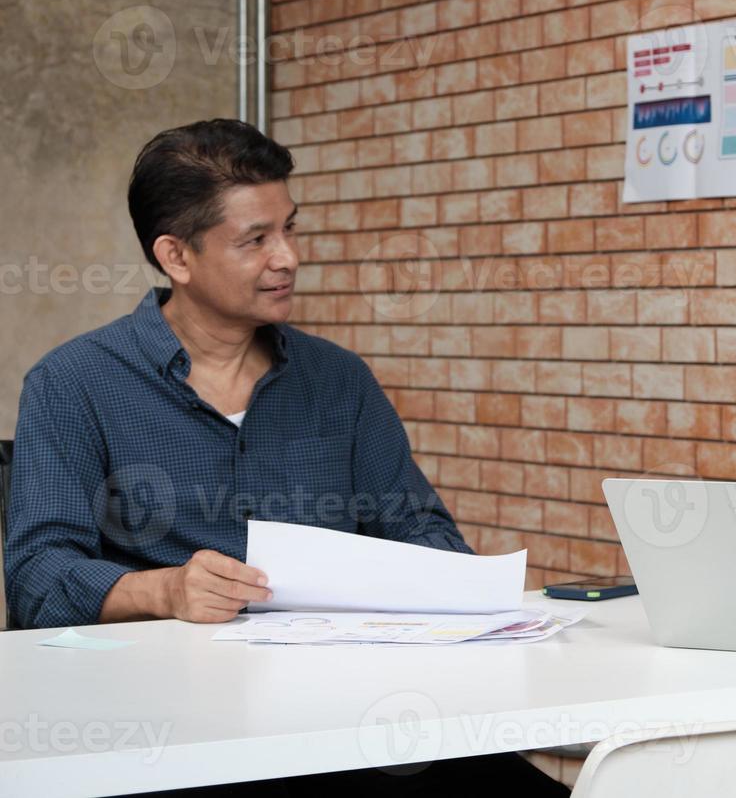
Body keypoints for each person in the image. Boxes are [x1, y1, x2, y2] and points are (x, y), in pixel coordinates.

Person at [3, 119, 567, 796]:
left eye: (290, 229)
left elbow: (422, 530)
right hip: (163, 733)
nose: (288, 257)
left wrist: (449, 585)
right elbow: (36, 581)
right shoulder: (75, 384)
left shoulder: (338, 380)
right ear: (177, 257)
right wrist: (167, 589)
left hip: (348, 716)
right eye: (256, 240)